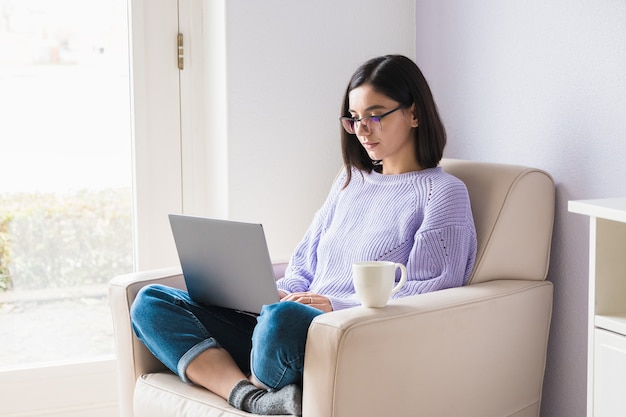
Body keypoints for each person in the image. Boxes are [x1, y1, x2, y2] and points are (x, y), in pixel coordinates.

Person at [130, 54, 477, 416]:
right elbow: (303, 262)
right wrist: (279, 292)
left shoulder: (443, 192)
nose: (362, 130)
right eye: (354, 119)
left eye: (375, 115)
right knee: (151, 302)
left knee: (282, 319)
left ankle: (258, 376)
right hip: (283, 326)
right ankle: (254, 399)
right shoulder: (350, 182)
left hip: (337, 334)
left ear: (414, 114)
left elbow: (431, 289)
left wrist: (337, 306)